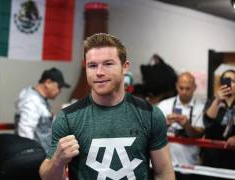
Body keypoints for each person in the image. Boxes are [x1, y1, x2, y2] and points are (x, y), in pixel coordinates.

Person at [39, 33, 175, 180]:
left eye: (108, 64)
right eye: (92, 65)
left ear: (125, 67)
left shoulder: (150, 114)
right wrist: (57, 160)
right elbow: (47, 177)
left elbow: (163, 172)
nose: (99, 72)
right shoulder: (68, 118)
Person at [157, 72, 205, 180]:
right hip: (166, 167)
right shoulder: (164, 105)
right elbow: (151, 131)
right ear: (176, 86)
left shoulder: (201, 108)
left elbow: (200, 134)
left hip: (191, 166)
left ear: (194, 88)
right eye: (181, 88)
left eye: (188, 88)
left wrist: (187, 126)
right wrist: (164, 123)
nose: (184, 92)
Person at [14, 67, 70, 153]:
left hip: (42, 156)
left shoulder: (40, 99)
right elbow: (25, 132)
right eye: (59, 86)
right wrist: (31, 157)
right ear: (48, 82)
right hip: (36, 158)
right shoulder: (31, 100)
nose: (60, 91)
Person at [203, 69, 235, 171]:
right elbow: (207, 122)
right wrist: (217, 101)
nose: (229, 84)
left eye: (233, 81)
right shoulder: (213, 101)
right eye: (226, 80)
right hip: (213, 156)